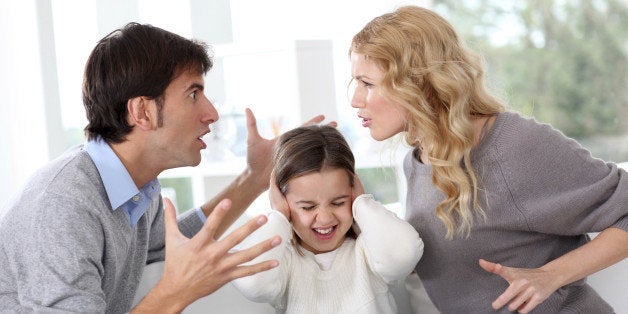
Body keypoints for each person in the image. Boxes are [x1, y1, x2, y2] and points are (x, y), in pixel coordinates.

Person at [0, 22, 328, 313]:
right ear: (142, 112)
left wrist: (253, 179)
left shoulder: (138, 188)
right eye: (193, 94)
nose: (212, 113)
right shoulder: (64, 206)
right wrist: (176, 293)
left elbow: (172, 245)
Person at [348, 5, 628, 314]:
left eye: (368, 83)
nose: (355, 100)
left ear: (418, 83)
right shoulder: (416, 162)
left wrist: (550, 275)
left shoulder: (513, 146)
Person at [232, 125, 424, 313]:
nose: (324, 218)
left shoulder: (368, 250)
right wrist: (279, 216)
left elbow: (404, 253)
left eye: (338, 202)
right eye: (308, 207)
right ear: (282, 200)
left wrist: (362, 203)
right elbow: (252, 283)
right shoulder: (285, 260)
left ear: (353, 190)